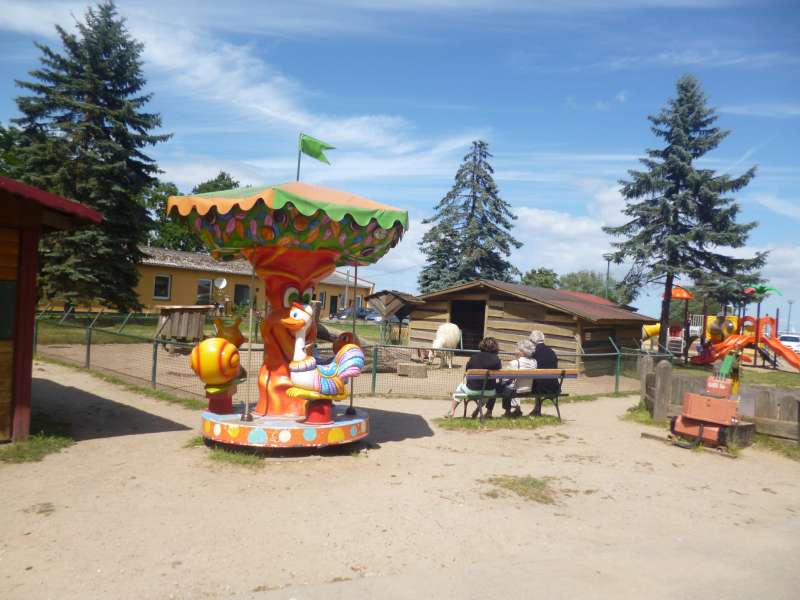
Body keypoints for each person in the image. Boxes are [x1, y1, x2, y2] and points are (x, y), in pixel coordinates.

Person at [444, 337, 502, 418]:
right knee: (487, 392)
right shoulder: (496, 359)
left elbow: (467, 372)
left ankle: (452, 410)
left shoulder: (474, 357)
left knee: (460, 387)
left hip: (472, 390)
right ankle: (479, 410)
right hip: (490, 391)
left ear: (482, 345)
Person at [499, 338, 537, 417]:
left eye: (516, 349)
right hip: (529, 389)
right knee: (512, 384)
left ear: (522, 352)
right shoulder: (534, 362)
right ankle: (517, 409)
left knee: (505, 385)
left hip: (516, 390)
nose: (514, 351)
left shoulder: (514, 363)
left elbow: (505, 378)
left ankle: (508, 411)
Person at [528, 330, 559, 416]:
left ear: (533, 341)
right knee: (539, 379)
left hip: (540, 387)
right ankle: (536, 408)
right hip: (554, 386)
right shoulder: (551, 352)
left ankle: (534, 408)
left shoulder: (534, 352)